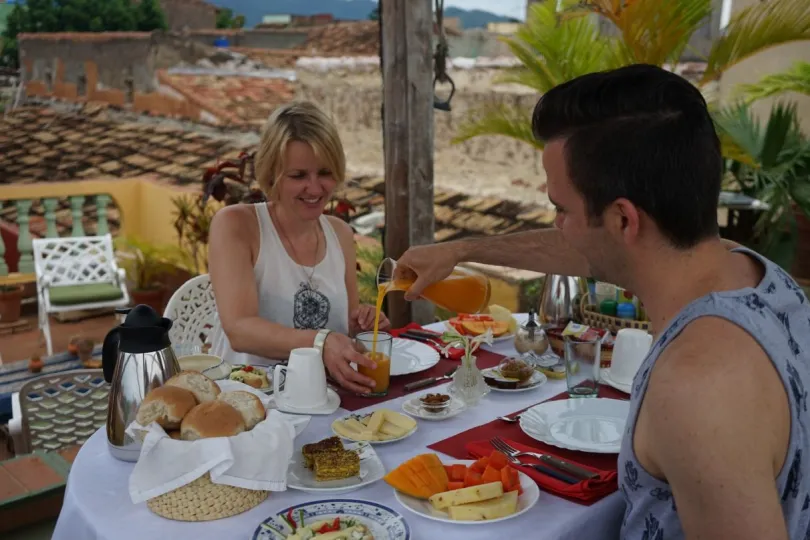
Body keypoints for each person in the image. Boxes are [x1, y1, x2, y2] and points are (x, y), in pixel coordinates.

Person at [398, 64, 810, 539]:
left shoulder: (699, 384)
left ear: (622, 220)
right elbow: (584, 245)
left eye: (560, 209)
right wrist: (463, 250)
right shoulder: (753, 273)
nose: (557, 224)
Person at [208, 101, 390, 394]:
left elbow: (345, 325)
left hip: (324, 396)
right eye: (298, 176)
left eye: (325, 173)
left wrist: (364, 322)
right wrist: (321, 341)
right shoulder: (236, 225)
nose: (315, 188)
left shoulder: (340, 233)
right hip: (249, 401)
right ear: (271, 174)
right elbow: (239, 329)